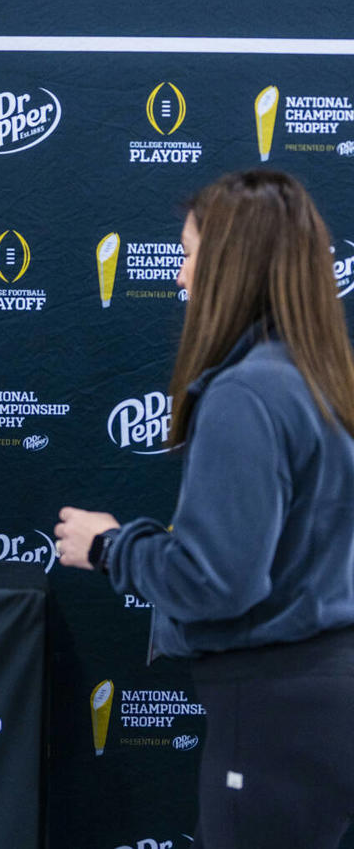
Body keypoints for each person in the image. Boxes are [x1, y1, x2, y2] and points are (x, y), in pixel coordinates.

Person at [55, 169, 354, 849]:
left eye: (189, 255)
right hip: (318, 699)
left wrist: (110, 546)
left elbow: (216, 580)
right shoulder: (319, 380)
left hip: (275, 708)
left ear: (231, 267)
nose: (181, 279)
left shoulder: (247, 394)